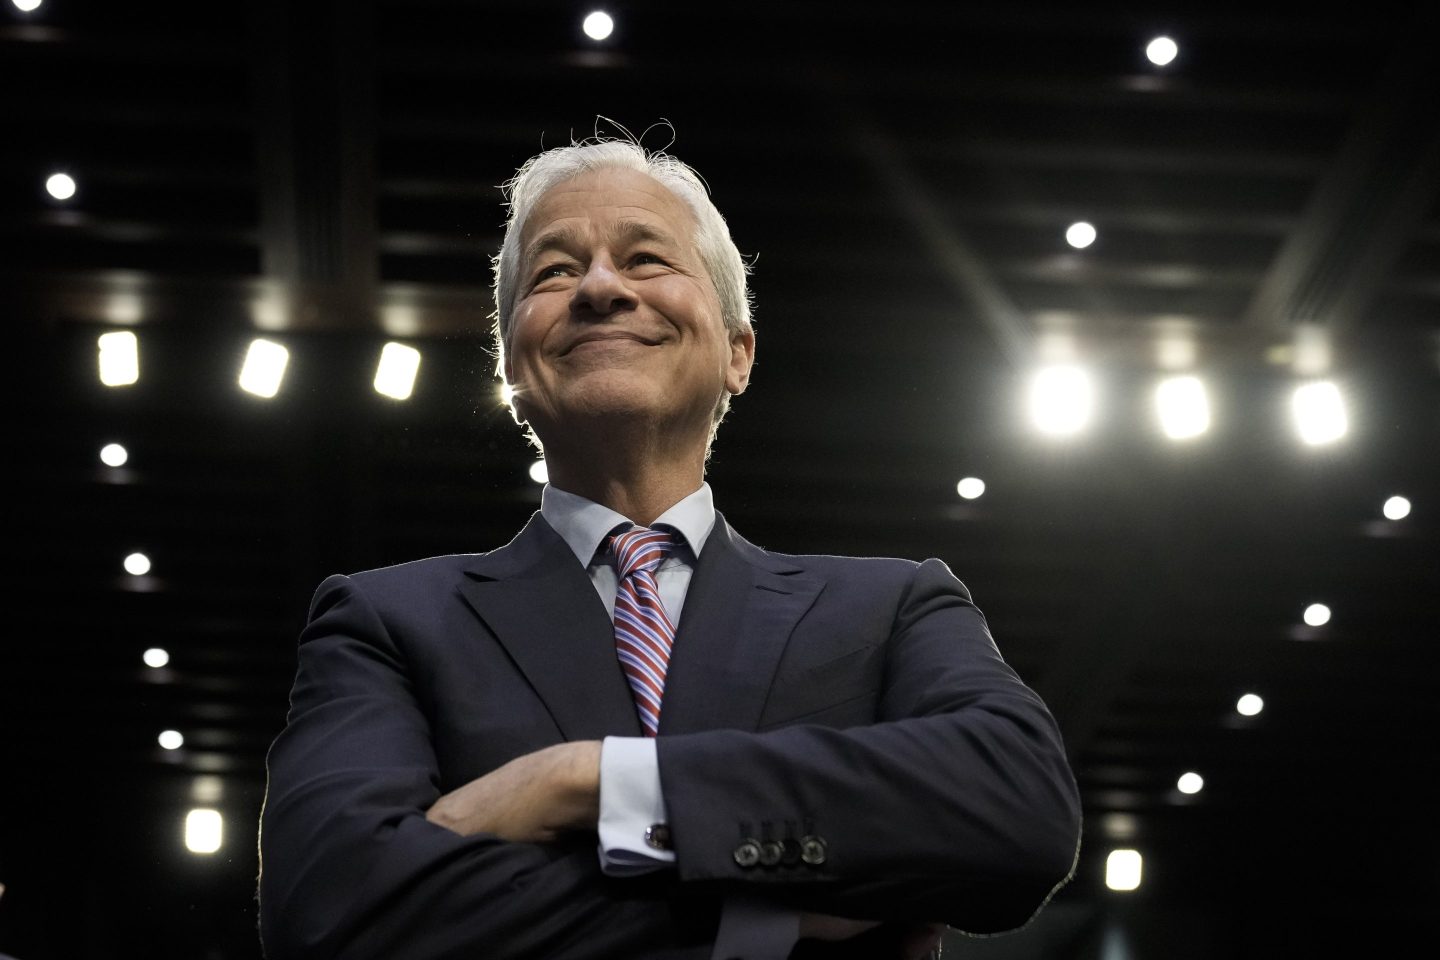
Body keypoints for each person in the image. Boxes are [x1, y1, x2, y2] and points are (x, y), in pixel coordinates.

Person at [258, 137, 1081, 959]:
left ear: (737, 353)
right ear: (511, 366)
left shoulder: (892, 607)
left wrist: (586, 781)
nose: (600, 288)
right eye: (554, 272)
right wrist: (765, 920)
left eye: (646, 259)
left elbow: (1020, 806)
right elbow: (328, 911)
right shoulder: (383, 622)